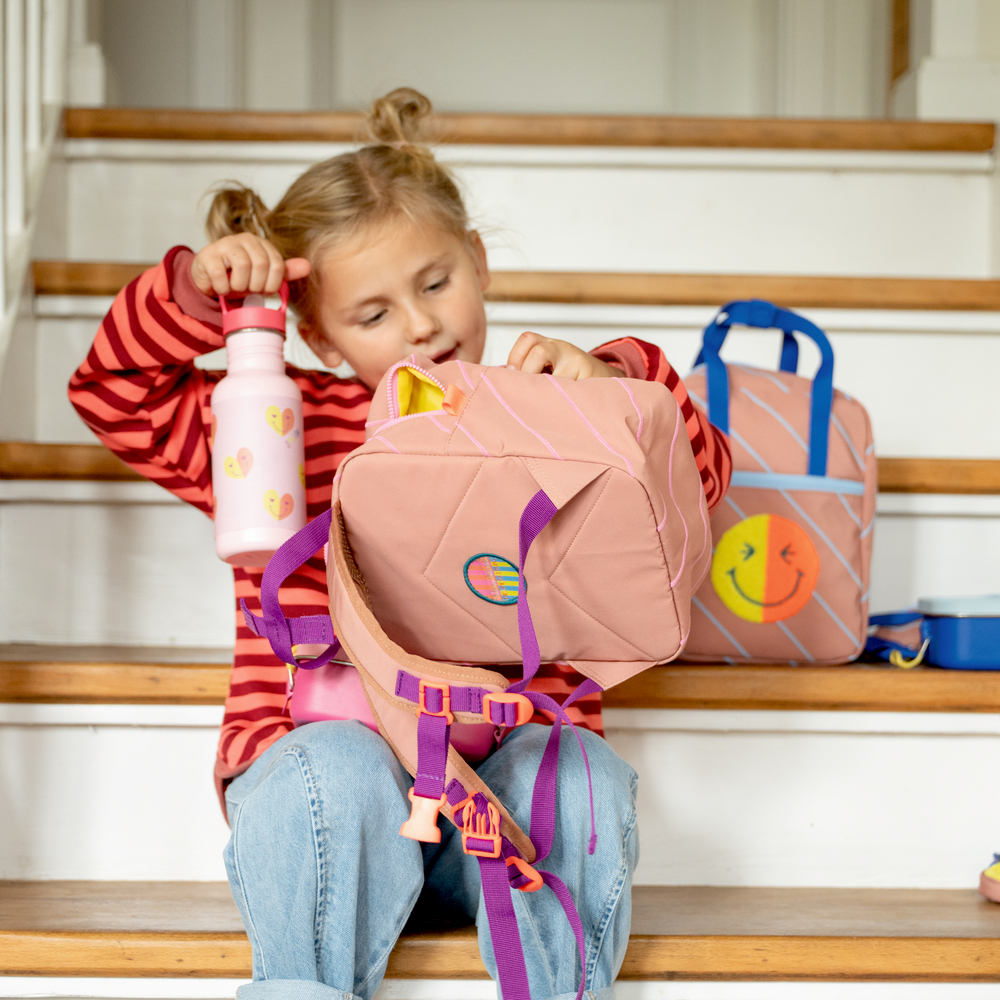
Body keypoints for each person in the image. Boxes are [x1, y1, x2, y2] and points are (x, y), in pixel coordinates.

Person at [69, 88, 731, 1000]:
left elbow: (698, 482)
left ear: (480, 263)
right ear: (317, 335)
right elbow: (114, 394)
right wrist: (193, 297)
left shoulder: (547, 411)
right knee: (332, 768)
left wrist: (618, 386)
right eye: (372, 315)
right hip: (331, 813)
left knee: (572, 771)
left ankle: (562, 989)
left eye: (435, 282)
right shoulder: (276, 425)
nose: (420, 324)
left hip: (494, 821)